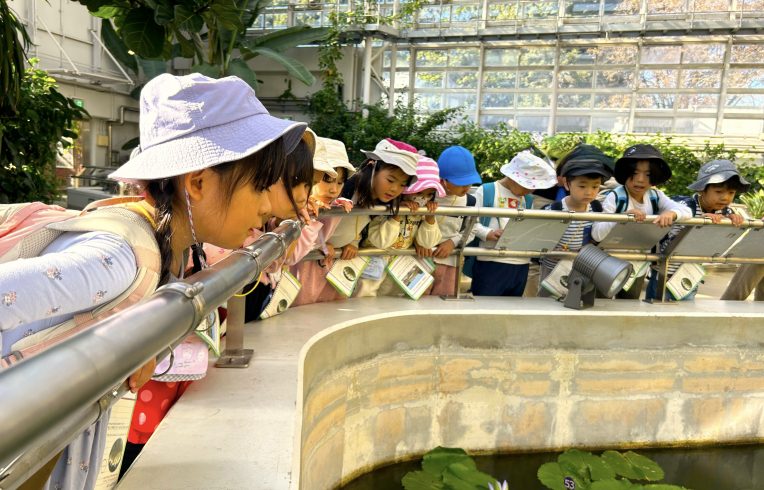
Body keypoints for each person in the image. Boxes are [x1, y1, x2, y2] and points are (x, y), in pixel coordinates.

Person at [0, 73, 306, 489]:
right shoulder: (118, 258)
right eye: (260, 186)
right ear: (198, 182)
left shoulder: (166, 251)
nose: (269, 205)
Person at [591, 144, 692, 299]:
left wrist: (672, 213)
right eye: (635, 173)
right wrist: (622, 218)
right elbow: (597, 234)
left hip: (638, 265)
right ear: (625, 174)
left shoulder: (655, 196)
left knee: (630, 305)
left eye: (648, 174)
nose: (640, 179)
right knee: (601, 303)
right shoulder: (615, 197)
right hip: (608, 263)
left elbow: (687, 211)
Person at [645, 159, 748, 301]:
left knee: (687, 311)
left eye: (731, 193)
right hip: (665, 274)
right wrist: (700, 221)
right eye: (718, 191)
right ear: (701, 189)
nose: (725, 197)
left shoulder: (725, 211)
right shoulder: (686, 205)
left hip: (690, 275)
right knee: (658, 310)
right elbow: (672, 214)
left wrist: (733, 218)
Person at [471, 150, 557, 297]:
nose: (530, 190)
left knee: (513, 306)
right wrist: (488, 233)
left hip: (521, 263)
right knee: (486, 305)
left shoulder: (527, 199)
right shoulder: (487, 190)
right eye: (527, 186)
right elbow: (470, 223)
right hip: (491, 260)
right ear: (512, 177)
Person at [357, 156, 443, 297]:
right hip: (374, 261)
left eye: (429, 194)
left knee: (393, 301)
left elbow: (427, 243)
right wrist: (397, 214)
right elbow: (381, 242)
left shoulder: (422, 213)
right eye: (419, 192)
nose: (423, 198)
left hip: (401, 265)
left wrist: (430, 218)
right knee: (364, 298)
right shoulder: (385, 206)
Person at [538, 147, 614, 297]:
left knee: (578, 301)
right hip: (553, 269)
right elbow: (540, 239)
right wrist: (552, 251)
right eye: (582, 186)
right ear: (567, 184)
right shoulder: (553, 209)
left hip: (582, 269)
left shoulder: (597, 208)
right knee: (548, 303)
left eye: (595, 186)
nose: (589, 192)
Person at [291, 137, 356, 306]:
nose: (334, 189)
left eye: (340, 182)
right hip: (299, 269)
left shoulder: (336, 206)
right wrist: (321, 244)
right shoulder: (297, 206)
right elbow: (296, 249)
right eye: (327, 180)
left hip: (320, 267)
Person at [329, 138, 419, 260]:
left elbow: (356, 224)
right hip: (316, 250)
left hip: (334, 254)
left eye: (402, 184)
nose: (395, 189)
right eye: (390, 180)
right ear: (373, 167)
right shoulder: (347, 187)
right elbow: (318, 220)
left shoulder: (381, 200)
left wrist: (353, 242)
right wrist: (322, 244)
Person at [427, 145, 482, 296]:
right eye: (461, 183)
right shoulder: (428, 195)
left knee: (444, 299)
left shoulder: (470, 201)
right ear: (443, 179)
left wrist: (453, 242)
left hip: (449, 261)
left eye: (469, 183)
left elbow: (473, 228)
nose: (467, 188)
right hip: (422, 258)